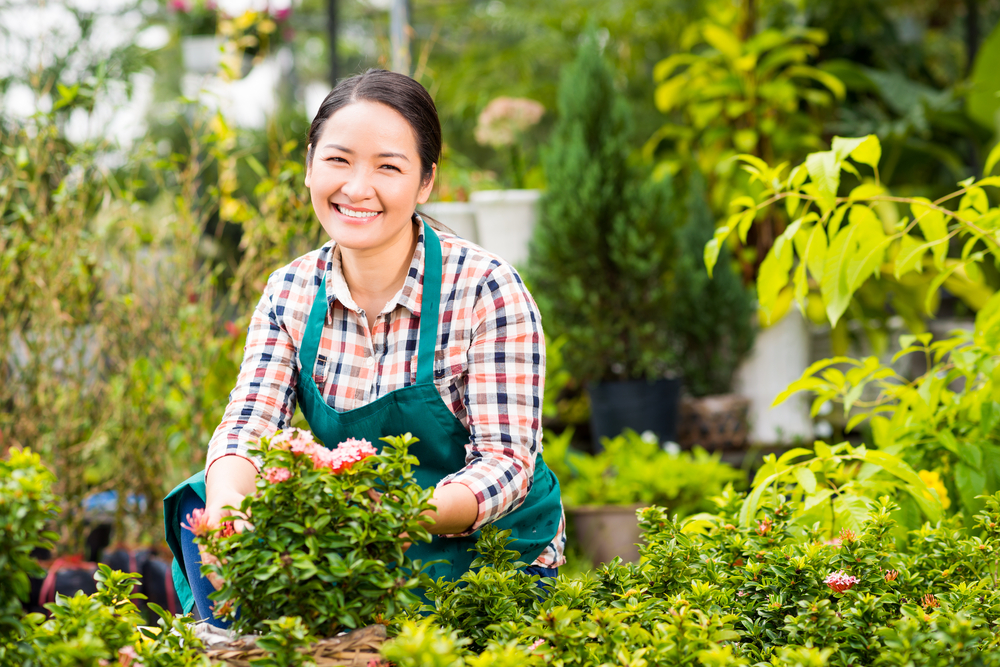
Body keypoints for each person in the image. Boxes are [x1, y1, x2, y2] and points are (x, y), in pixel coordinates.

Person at [163, 69, 566, 627]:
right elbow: (247, 427)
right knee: (200, 498)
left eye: (388, 167)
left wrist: (398, 515)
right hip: (361, 548)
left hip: (485, 552)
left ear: (425, 182)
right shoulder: (291, 292)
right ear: (309, 165)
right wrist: (231, 511)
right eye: (338, 159)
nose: (356, 187)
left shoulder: (485, 289)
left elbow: (506, 463)